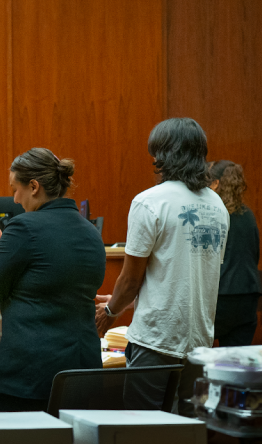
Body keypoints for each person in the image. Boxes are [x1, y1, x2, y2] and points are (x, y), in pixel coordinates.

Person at [96, 118, 229, 417]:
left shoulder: (149, 202)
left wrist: (110, 311)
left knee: (144, 432)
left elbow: (131, 279)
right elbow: (186, 276)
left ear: (163, 155)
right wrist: (128, 304)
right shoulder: (218, 206)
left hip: (155, 343)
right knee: (188, 435)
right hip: (199, 345)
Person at [0, 148, 105, 412]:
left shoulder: (23, 228)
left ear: (33, 186)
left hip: (23, 379)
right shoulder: (91, 232)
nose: (15, 200)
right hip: (78, 376)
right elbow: (47, 282)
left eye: (15, 190)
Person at [208, 160, 262, 346]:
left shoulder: (212, 214)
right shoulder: (248, 215)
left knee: (196, 359)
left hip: (219, 296)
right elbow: (254, 254)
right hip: (248, 295)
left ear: (215, 183)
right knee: (235, 364)